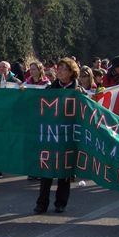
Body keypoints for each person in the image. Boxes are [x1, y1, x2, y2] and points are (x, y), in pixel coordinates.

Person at [34, 57, 83, 215]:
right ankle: (41, 203)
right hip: (51, 136)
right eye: (58, 68)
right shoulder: (50, 89)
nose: (59, 71)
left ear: (71, 72)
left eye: (63, 68)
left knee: (64, 172)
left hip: (67, 136)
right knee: (46, 172)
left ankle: (61, 202)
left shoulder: (78, 91)